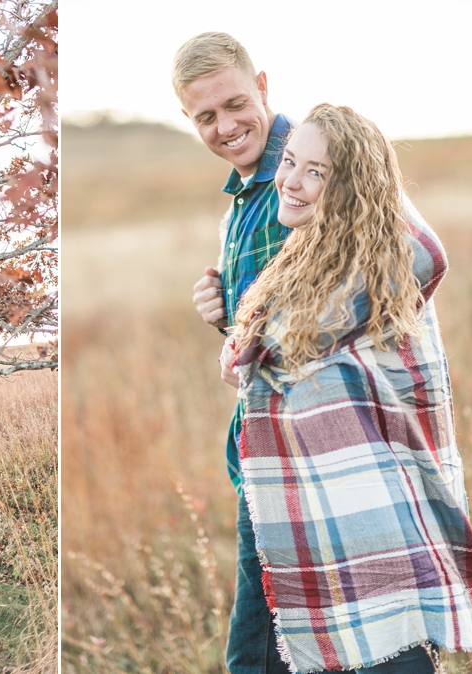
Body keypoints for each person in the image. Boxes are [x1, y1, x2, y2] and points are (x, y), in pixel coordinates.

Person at [223, 104, 472, 672]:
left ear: (354, 188)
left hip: (376, 518)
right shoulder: (313, 252)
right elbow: (260, 349)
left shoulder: (382, 259)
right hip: (312, 509)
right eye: (290, 161)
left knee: (389, 658)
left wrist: (245, 342)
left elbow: (277, 343)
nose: (291, 181)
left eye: (317, 172)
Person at [174, 31, 295, 672]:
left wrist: (246, 344)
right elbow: (265, 334)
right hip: (265, 447)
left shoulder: (302, 177)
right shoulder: (244, 200)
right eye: (206, 117)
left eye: (236, 103)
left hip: (301, 452)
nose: (226, 126)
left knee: (256, 655)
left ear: (264, 87)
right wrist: (225, 315)